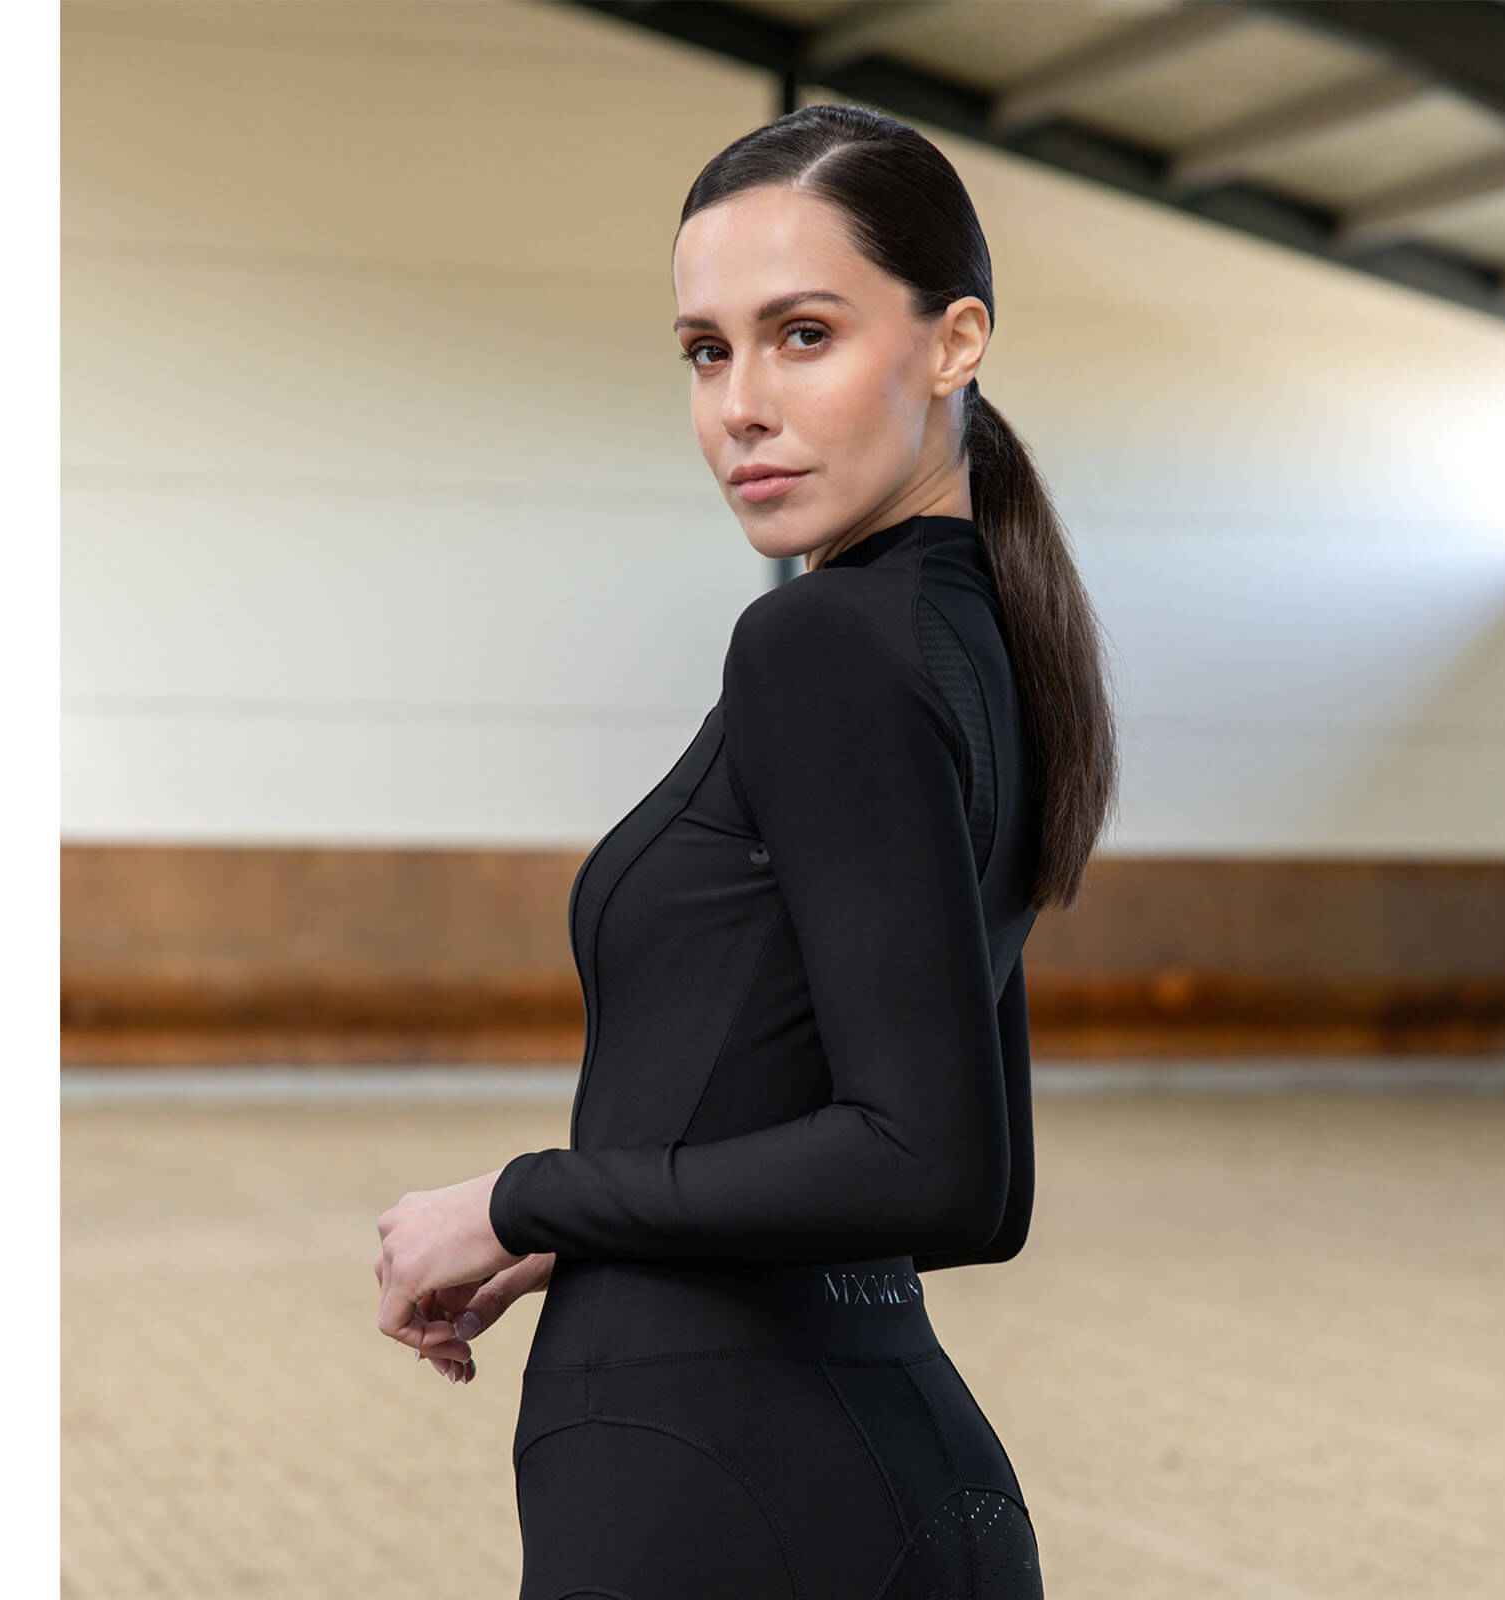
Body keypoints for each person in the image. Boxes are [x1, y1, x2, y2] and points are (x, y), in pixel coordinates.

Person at [373, 101, 1119, 1599]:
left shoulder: (818, 645)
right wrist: (611, 1222)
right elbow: (986, 1195)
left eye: (804, 336)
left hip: (705, 1481)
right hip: (910, 1482)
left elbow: (927, 1165)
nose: (742, 406)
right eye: (707, 353)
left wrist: (520, 1197)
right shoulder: (993, 644)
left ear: (956, 340)